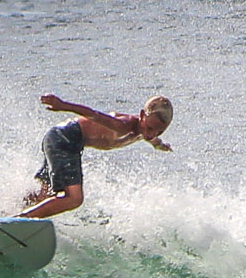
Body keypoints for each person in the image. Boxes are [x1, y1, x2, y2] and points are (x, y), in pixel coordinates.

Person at [20, 93, 173, 219]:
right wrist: (63, 105)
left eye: (159, 131)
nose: (152, 133)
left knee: (45, 195)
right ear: (141, 115)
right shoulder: (123, 125)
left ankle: (9, 211)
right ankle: (21, 220)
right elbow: (93, 114)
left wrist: (159, 144)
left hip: (62, 140)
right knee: (74, 198)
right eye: (151, 128)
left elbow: (153, 138)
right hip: (64, 139)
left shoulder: (146, 132)